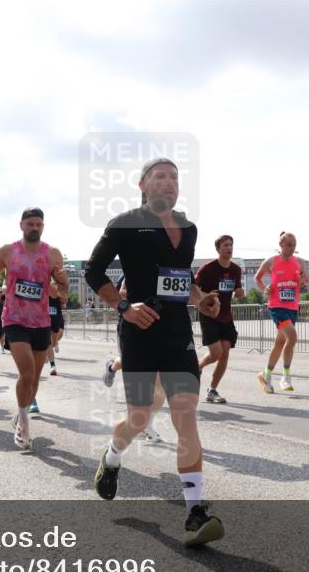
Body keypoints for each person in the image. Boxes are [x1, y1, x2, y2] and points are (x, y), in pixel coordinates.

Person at [85, 158, 224, 547]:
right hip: (138, 333)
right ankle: (112, 457)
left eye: (174, 177)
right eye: (160, 176)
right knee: (140, 416)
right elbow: (94, 271)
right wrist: (125, 308)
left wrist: (202, 301)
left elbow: (183, 280)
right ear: (142, 185)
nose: (168, 182)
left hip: (176, 331)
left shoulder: (188, 228)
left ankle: (195, 513)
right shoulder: (124, 223)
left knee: (185, 412)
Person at [0, 207, 70, 448]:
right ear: (21, 225)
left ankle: (20, 413)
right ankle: (23, 426)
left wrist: (62, 288)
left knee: (34, 379)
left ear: (43, 227)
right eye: (30, 224)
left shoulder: (53, 254)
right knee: (26, 374)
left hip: (41, 321)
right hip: (14, 318)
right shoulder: (8, 250)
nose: (35, 228)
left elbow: (61, 289)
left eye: (39, 224)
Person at [101, 274, 166, 443]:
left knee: (161, 384)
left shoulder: (166, 268)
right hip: (133, 330)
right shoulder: (132, 269)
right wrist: (135, 305)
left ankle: (147, 425)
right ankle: (112, 366)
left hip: (159, 332)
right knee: (126, 362)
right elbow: (120, 294)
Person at [255, 232, 309, 393]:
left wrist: (304, 281)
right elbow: (258, 278)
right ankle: (285, 376)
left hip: (292, 307)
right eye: (289, 245)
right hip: (276, 306)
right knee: (292, 336)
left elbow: (304, 283)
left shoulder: (299, 262)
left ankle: (266, 374)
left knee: (280, 343)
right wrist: (265, 288)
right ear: (281, 245)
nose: (292, 248)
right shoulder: (271, 261)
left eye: (294, 245)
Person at [196, 235, 245, 403]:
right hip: (209, 314)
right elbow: (194, 291)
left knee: (224, 354)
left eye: (231, 244)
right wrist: (207, 296)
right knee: (216, 354)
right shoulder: (207, 268)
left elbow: (238, 291)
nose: (229, 247)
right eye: (225, 245)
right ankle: (198, 367)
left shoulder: (236, 270)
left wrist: (240, 293)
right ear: (218, 249)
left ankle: (212, 390)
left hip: (226, 316)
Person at [47, 280, 66, 376]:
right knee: (48, 343)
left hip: (56, 320)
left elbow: (64, 304)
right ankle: (52, 365)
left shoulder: (58, 295)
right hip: (45, 321)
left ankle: (47, 355)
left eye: (55, 285)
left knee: (53, 342)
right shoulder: (44, 293)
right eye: (52, 285)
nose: (53, 287)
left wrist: (62, 298)